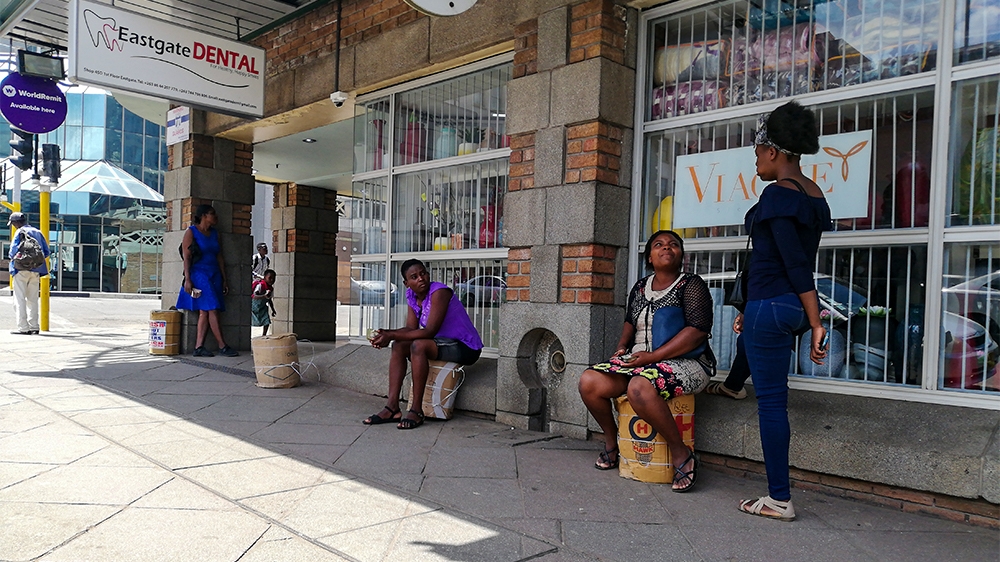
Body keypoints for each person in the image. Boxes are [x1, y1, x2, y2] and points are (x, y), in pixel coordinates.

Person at [738, 101, 832, 521]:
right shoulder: (814, 196)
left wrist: (816, 322)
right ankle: (732, 382)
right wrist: (805, 316)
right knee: (768, 386)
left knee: (772, 405)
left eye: (757, 153)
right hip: (784, 308)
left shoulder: (777, 194)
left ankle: (779, 498)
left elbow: (795, 263)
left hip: (774, 304)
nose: (755, 161)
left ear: (773, 152)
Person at [578, 230, 715, 493]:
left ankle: (681, 454)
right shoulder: (641, 287)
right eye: (659, 244)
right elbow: (630, 322)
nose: (667, 248)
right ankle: (612, 442)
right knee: (590, 381)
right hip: (641, 361)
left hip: (687, 362)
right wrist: (621, 348)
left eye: (673, 244)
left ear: (681, 255)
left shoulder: (691, 284)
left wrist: (652, 357)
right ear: (649, 257)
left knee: (639, 387)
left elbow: (697, 330)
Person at [365, 259, 484, 430]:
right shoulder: (412, 296)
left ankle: (416, 410)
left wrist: (390, 334)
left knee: (418, 345)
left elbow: (429, 331)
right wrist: (386, 334)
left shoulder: (439, 292)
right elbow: (410, 328)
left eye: (423, 273)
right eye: (414, 277)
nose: (421, 278)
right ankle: (392, 408)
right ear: (407, 283)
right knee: (399, 345)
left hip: (466, 347)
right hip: (442, 343)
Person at [176, 204, 239, 357]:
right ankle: (222, 345)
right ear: (203, 215)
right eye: (212, 213)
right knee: (212, 308)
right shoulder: (191, 232)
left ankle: (199, 347)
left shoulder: (215, 234)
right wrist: (188, 279)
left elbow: (220, 256)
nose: (215, 216)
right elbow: (187, 257)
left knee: (204, 311)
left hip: (214, 273)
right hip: (199, 273)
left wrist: (224, 278)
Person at [7, 212, 50, 335]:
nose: (13, 226)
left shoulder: (20, 232)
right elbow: (46, 252)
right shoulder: (38, 232)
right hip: (36, 271)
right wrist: (34, 263)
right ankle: (34, 326)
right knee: (33, 299)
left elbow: (12, 252)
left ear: (17, 223)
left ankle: (23, 328)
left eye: (13, 224)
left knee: (19, 299)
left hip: (21, 270)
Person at [252, 269, 277, 336]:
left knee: (266, 321)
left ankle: (264, 335)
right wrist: (263, 296)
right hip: (254, 306)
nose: (272, 280)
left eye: (273, 279)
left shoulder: (271, 288)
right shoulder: (261, 285)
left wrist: (273, 309)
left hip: (262, 307)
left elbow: (269, 299)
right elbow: (254, 296)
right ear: (265, 277)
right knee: (251, 321)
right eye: (270, 278)